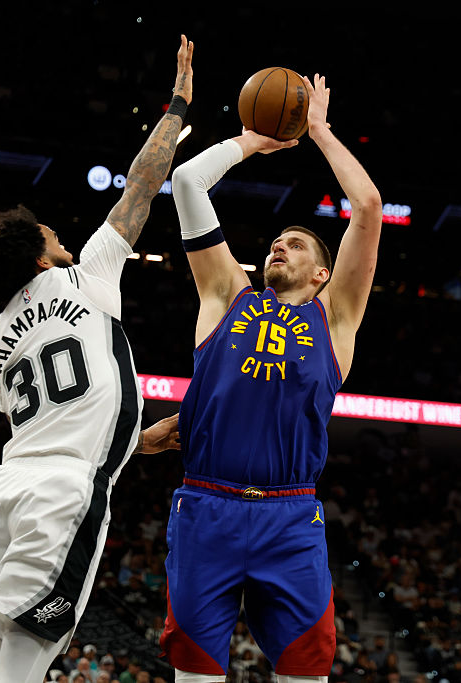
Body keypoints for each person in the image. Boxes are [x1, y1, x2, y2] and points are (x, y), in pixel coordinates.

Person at [0, 34, 193, 683]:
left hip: (4, 492)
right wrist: (177, 107)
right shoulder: (86, 276)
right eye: (54, 235)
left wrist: (136, 439)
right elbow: (143, 181)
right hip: (62, 496)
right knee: (27, 654)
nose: (64, 238)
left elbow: (62, 417)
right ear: (39, 254)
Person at [161, 74, 382, 681]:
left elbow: (367, 208)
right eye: (276, 242)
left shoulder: (335, 317)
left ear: (322, 275)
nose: (279, 247)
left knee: (305, 673)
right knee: (196, 673)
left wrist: (320, 133)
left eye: (297, 245)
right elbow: (186, 181)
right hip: (207, 506)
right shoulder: (225, 291)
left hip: (290, 518)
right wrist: (250, 143)